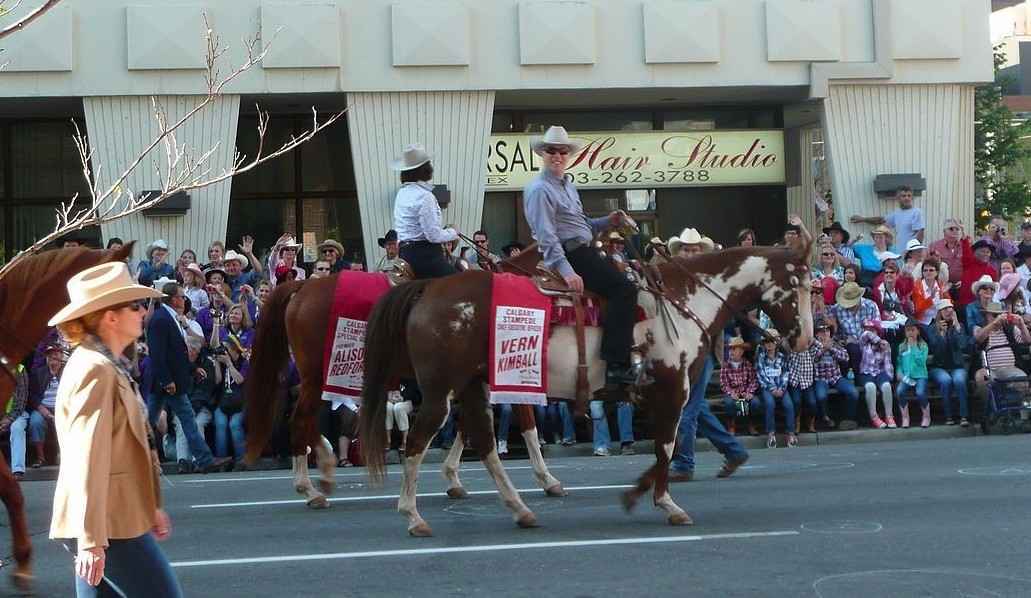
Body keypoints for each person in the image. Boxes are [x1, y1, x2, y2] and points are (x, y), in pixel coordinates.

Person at [46, 261, 184, 597]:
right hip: (107, 522)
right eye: (134, 304)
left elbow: (125, 446)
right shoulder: (96, 369)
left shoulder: (104, 362)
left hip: (111, 517)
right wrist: (91, 539)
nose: (143, 311)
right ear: (110, 317)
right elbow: (86, 458)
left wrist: (148, 507)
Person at [523, 126, 638, 390]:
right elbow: (546, 235)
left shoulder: (568, 186)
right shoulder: (539, 189)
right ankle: (616, 367)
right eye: (551, 150)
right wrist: (567, 271)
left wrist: (606, 221)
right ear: (543, 152)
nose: (557, 155)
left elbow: (580, 224)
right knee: (625, 291)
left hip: (583, 248)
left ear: (568, 155)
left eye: (562, 151)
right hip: (573, 255)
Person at [145, 282, 231, 475]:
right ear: (174, 299)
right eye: (182, 296)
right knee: (175, 419)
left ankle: (204, 459)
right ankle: (205, 459)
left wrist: (193, 368)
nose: (184, 300)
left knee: (163, 420)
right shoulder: (161, 319)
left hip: (170, 380)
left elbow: (175, 352)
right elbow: (157, 354)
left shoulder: (170, 317)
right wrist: (167, 380)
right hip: (166, 381)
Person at [669, 347, 750, 482]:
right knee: (697, 409)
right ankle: (734, 451)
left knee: (687, 409)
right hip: (692, 353)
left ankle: (684, 466)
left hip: (695, 353)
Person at [390, 142, 460, 279]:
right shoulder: (425, 196)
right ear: (425, 168)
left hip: (405, 252)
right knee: (460, 284)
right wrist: (454, 232)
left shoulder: (402, 193)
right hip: (425, 254)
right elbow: (433, 235)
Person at [973, 302, 1031, 402]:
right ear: (987, 316)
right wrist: (994, 323)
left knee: (1023, 382)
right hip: (990, 369)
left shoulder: (1010, 328)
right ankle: (992, 408)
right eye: (995, 315)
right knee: (981, 376)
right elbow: (979, 338)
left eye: (1000, 315)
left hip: (1011, 368)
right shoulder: (979, 327)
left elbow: (1027, 341)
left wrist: (1021, 324)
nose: (999, 318)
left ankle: (1020, 413)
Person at [826, 281, 881, 382]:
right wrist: (841, 340)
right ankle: (858, 380)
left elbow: (876, 333)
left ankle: (868, 379)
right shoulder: (837, 309)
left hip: (869, 344)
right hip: (848, 347)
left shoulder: (872, 306)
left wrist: (857, 341)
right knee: (852, 350)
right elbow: (834, 332)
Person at [812, 321, 861, 431]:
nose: (825, 334)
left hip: (835, 376)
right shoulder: (812, 344)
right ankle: (824, 417)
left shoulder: (835, 343)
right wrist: (823, 349)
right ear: (816, 334)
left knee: (853, 393)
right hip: (820, 378)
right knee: (821, 396)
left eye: (827, 331)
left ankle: (848, 419)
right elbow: (810, 360)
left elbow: (845, 357)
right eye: (822, 331)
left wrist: (831, 348)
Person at [928, 299, 970, 426]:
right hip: (939, 366)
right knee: (946, 381)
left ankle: (964, 416)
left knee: (959, 380)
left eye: (950, 308)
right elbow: (935, 349)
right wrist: (942, 334)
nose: (948, 311)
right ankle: (948, 416)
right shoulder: (932, 328)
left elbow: (963, 344)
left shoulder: (959, 326)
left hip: (956, 365)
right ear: (940, 312)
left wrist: (957, 327)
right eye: (945, 309)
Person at [851, 185, 926, 250]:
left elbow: (920, 232)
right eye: (903, 196)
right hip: (901, 252)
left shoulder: (917, 212)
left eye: (909, 196)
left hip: (912, 252)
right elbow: (881, 220)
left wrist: (915, 250)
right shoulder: (897, 213)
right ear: (898, 198)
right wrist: (862, 219)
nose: (907, 198)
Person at [755, 330, 796, 448]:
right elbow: (761, 375)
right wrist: (772, 388)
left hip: (781, 386)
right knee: (770, 404)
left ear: (776, 343)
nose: (769, 344)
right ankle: (771, 433)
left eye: (772, 341)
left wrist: (782, 388)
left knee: (789, 405)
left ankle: (790, 433)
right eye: (767, 342)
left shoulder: (782, 356)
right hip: (767, 387)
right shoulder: (760, 357)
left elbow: (786, 373)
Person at [213, 334, 248, 467]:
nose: (224, 352)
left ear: (234, 349)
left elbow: (239, 380)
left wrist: (229, 364)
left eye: (226, 349)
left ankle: (241, 459)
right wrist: (217, 363)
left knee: (234, 424)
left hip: (241, 401)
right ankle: (222, 459)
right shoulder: (222, 363)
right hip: (225, 401)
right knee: (221, 424)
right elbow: (217, 380)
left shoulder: (244, 363)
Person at [857, 319, 896, 429]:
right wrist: (877, 339)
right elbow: (865, 335)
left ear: (878, 332)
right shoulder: (864, 343)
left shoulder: (885, 345)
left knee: (886, 386)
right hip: (865, 372)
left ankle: (889, 415)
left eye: (872, 330)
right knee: (870, 387)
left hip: (879, 372)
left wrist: (889, 377)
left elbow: (888, 364)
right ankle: (874, 416)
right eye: (867, 329)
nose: (869, 332)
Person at [720, 337, 759, 436]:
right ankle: (732, 425)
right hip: (733, 393)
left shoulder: (747, 364)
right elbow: (724, 383)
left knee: (756, 402)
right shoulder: (725, 365)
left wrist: (749, 392)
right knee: (728, 403)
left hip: (745, 392)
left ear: (741, 351)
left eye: (734, 349)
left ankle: (751, 424)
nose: (731, 352)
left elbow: (753, 380)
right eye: (730, 349)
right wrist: (731, 393)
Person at [895, 319, 930, 428]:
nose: (910, 333)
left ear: (918, 331)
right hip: (907, 376)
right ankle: (905, 417)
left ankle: (926, 416)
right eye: (908, 330)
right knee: (899, 391)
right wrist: (899, 372)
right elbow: (900, 363)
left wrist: (914, 347)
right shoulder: (902, 346)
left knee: (920, 392)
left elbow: (921, 361)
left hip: (920, 375)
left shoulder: (923, 346)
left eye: (913, 330)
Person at [957, 234, 999, 308]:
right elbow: (966, 252)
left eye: (988, 252)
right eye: (983, 251)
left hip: (984, 307)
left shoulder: (993, 271)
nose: (986, 254)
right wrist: (964, 238)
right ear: (975, 253)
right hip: (965, 304)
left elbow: (994, 292)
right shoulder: (969, 264)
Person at [928, 218, 965, 299]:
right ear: (944, 231)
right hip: (941, 287)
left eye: (957, 229)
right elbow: (929, 267)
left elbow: (969, 266)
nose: (955, 231)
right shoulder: (934, 246)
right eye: (951, 229)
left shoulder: (964, 247)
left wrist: (964, 280)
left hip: (960, 286)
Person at [911, 258, 946, 325]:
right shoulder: (916, 287)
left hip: (939, 320)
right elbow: (918, 308)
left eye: (931, 270)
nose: (928, 272)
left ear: (937, 273)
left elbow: (949, 303)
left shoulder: (941, 285)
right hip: (923, 321)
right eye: (925, 270)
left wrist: (945, 296)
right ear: (922, 273)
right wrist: (931, 298)